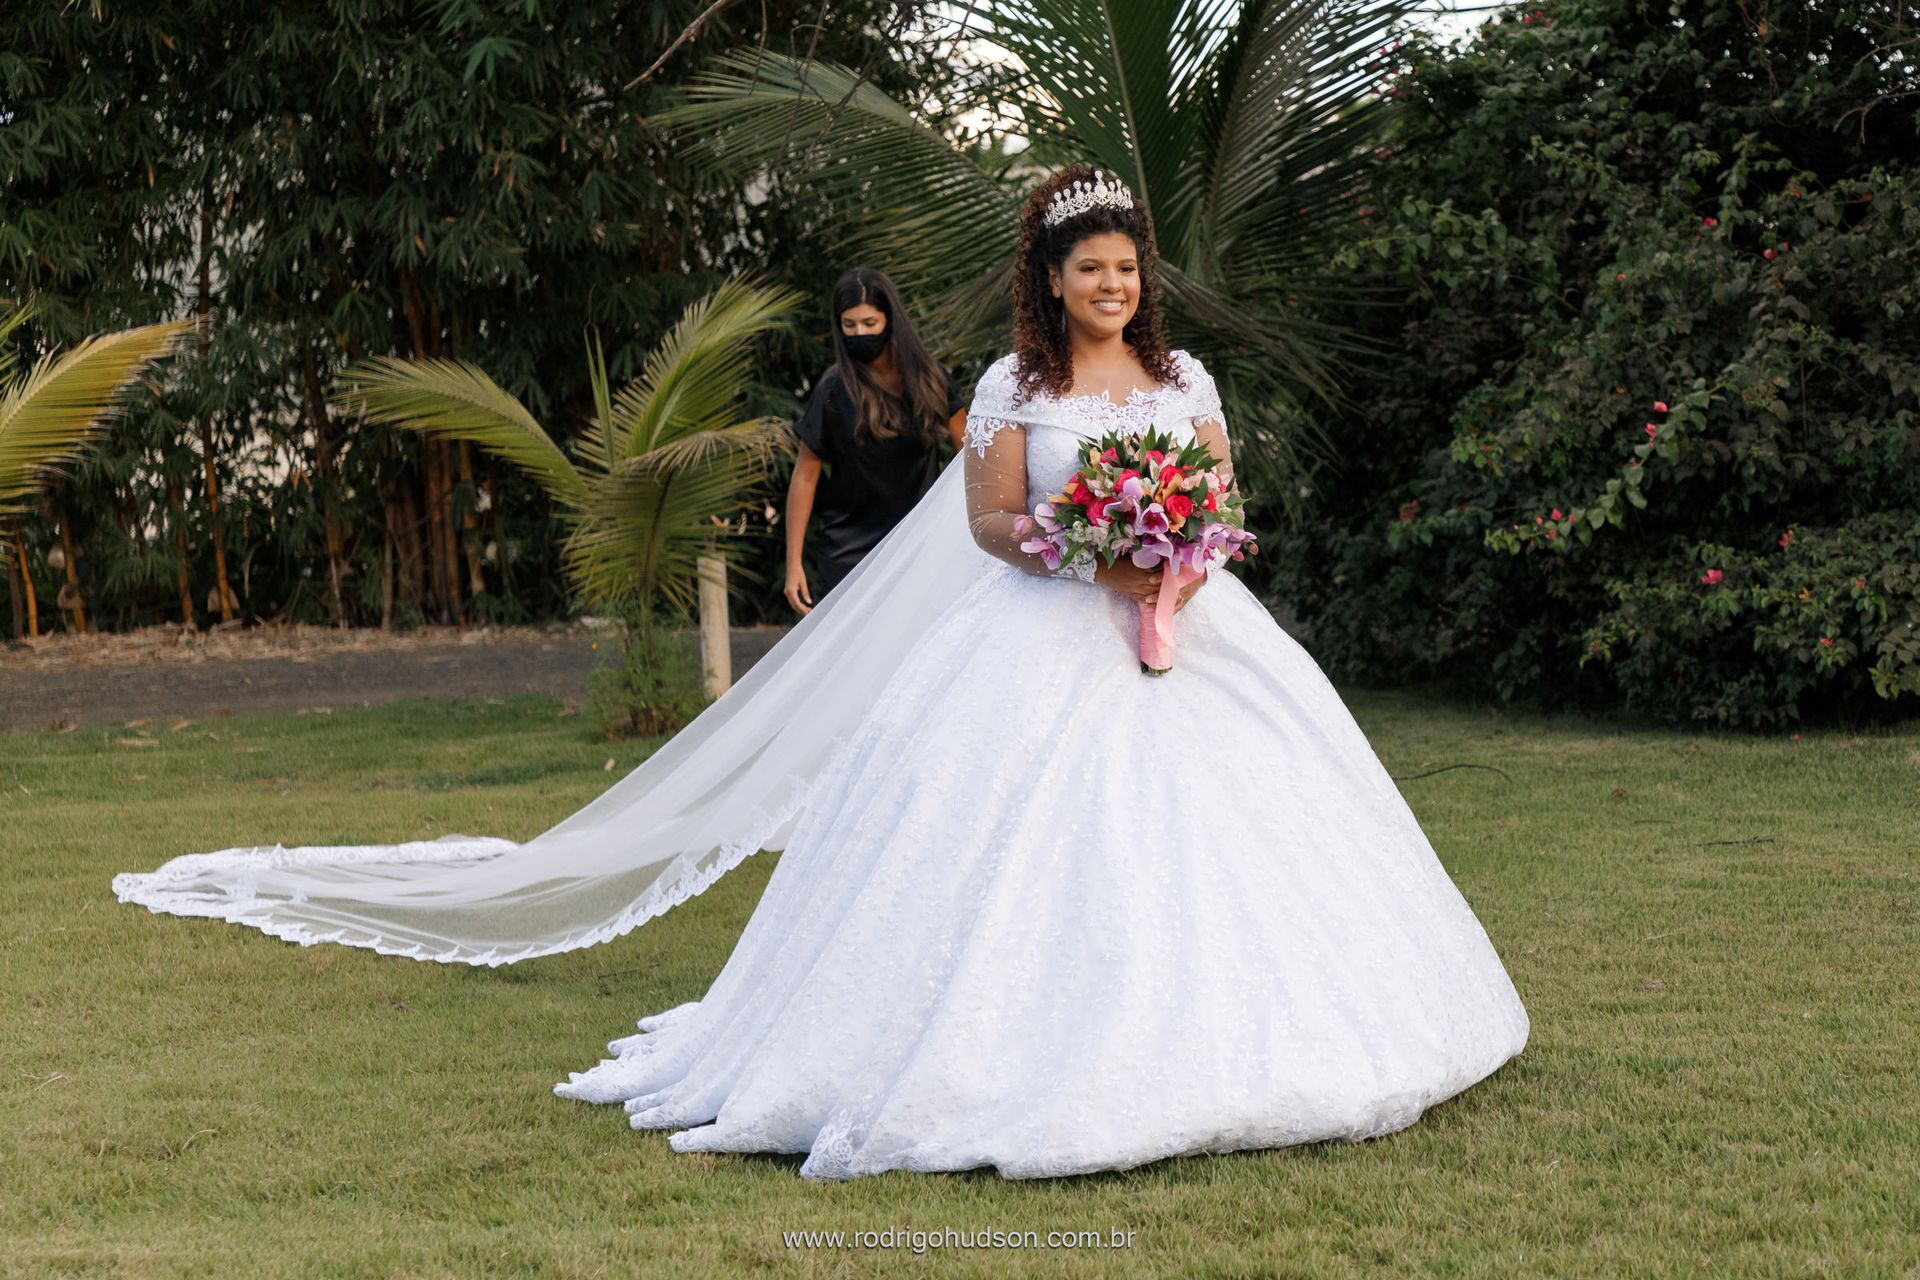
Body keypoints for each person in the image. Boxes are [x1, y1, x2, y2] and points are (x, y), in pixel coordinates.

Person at [114, 164, 1529, 1183]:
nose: (1114, 285)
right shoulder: (1007, 391)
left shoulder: (1188, 383)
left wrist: (1171, 547)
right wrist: (1077, 546)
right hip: (1037, 633)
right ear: (1050, 280)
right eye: (1090, 268)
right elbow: (982, 522)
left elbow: (1220, 501)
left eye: (1128, 268)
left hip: (1187, 628)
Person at [784, 268, 967, 614]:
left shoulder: (932, 381)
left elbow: (972, 458)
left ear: (890, 320)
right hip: (848, 551)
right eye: (849, 325)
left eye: (870, 323)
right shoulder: (832, 390)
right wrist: (793, 564)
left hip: (920, 543)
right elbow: (805, 476)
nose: (859, 334)